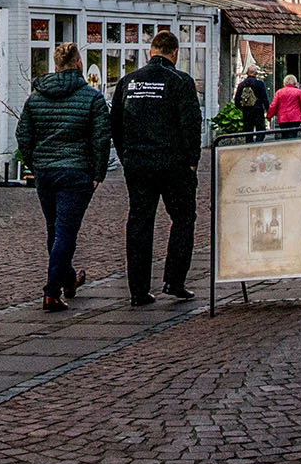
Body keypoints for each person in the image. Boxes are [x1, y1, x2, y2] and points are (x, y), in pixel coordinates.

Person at [14, 43, 109, 311]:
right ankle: (52, 292)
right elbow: (101, 138)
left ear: (55, 67)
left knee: (55, 230)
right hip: (77, 171)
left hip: (45, 172)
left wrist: (35, 163)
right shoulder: (92, 98)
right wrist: (98, 172)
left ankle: (68, 280)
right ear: (79, 63)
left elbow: (23, 135)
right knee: (65, 232)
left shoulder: (36, 98)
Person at [112, 31, 204, 305]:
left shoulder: (128, 82)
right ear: (174, 53)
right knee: (183, 218)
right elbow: (191, 125)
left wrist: (125, 155)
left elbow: (115, 122)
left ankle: (138, 290)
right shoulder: (180, 81)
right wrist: (191, 161)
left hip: (138, 163)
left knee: (140, 222)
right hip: (173, 163)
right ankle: (174, 280)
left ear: (150, 52)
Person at [233, 68, 270, 135]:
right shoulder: (259, 84)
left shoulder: (241, 85)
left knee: (248, 131)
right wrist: (268, 110)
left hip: (246, 111)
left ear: (247, 73)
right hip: (258, 110)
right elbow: (264, 98)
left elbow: (237, 99)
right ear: (255, 74)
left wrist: (242, 108)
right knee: (260, 130)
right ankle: (258, 143)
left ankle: (249, 144)